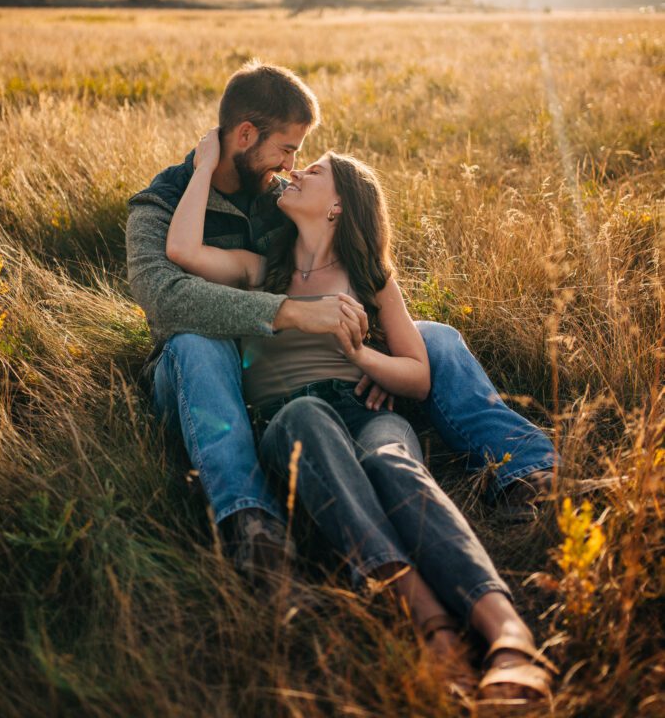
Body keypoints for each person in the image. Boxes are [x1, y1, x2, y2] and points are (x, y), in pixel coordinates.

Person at [162, 129, 556, 702]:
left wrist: (361, 355)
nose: (295, 173)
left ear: (340, 204)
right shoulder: (261, 271)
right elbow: (182, 252)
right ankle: (432, 625)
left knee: (395, 461)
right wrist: (201, 169)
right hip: (290, 419)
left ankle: (510, 636)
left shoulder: (370, 277)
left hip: (367, 411)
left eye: (314, 170)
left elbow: (418, 375)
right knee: (305, 419)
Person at [126, 61, 557, 578]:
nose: (290, 166)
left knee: (434, 339)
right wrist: (294, 314)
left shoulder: (276, 196)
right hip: (205, 377)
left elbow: (334, 273)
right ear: (244, 135)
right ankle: (251, 520)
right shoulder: (159, 203)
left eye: (300, 159)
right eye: (287, 150)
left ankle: (529, 471)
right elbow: (170, 298)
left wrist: (368, 355)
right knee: (198, 341)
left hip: (298, 358)